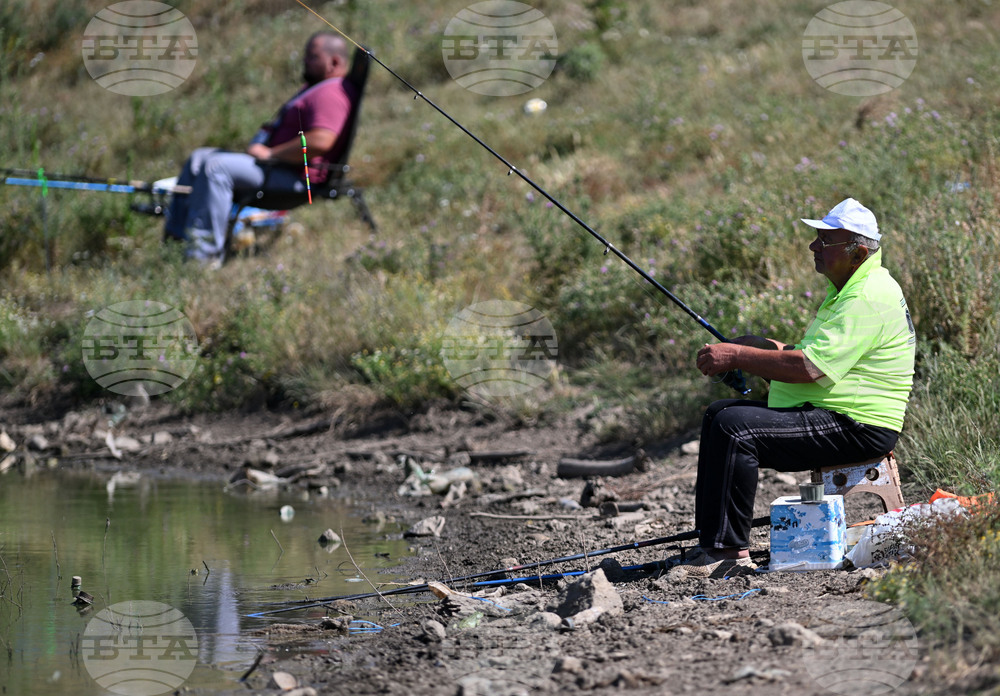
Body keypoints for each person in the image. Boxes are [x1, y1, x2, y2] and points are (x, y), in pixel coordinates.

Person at [669, 198, 916, 579]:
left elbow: (811, 367)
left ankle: (728, 553)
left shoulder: (866, 296)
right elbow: (812, 355)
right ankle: (712, 543)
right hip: (838, 414)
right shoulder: (853, 288)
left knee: (735, 428)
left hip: (858, 425)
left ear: (858, 251)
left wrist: (738, 355)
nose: (813, 246)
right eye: (816, 237)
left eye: (825, 241)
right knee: (719, 413)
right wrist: (756, 346)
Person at [164, 32, 357, 265]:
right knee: (200, 157)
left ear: (334, 62)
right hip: (276, 168)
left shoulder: (331, 93)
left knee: (216, 167)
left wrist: (271, 153)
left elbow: (321, 141)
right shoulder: (318, 87)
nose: (304, 61)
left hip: (294, 176)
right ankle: (174, 244)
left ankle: (201, 259)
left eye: (312, 57)